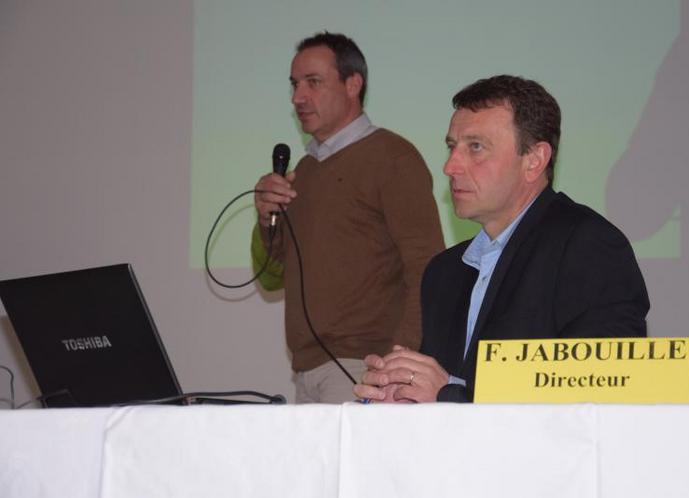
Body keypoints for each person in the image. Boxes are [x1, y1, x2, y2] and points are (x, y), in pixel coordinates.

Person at [354, 75, 650, 403]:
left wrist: (448, 394)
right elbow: (444, 397)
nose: (450, 166)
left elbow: (603, 396)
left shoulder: (589, 245)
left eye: (475, 147)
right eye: (452, 147)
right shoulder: (444, 272)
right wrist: (405, 396)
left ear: (534, 160)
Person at [252, 32, 444, 403]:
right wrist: (266, 219)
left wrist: (397, 364)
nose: (297, 98)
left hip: (366, 367)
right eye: (294, 84)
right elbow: (274, 275)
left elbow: (427, 267)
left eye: (313, 82)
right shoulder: (303, 171)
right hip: (306, 369)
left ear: (353, 84)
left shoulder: (392, 157)